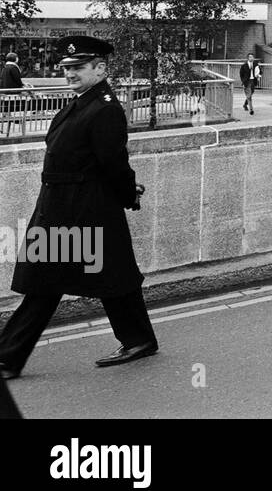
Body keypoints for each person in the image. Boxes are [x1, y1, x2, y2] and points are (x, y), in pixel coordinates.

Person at [0, 36, 159, 380]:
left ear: (100, 69)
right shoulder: (82, 101)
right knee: (99, 277)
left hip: (84, 209)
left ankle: (8, 357)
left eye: (78, 67)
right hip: (62, 204)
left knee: (59, 281)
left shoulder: (104, 108)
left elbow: (114, 163)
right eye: (67, 68)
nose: (70, 73)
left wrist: (128, 194)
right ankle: (139, 338)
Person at [2, 53, 24, 138]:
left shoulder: (5, 67)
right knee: (29, 94)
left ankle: (7, 114)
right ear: (15, 59)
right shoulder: (14, 67)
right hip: (14, 91)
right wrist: (22, 86)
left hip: (6, 91)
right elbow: (18, 80)